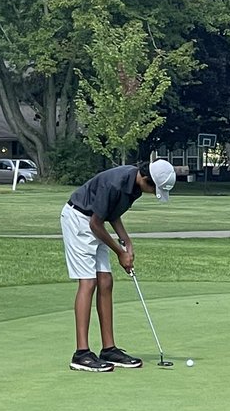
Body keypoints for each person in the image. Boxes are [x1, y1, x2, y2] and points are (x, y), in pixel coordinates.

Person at [60, 158, 177, 372]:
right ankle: (81, 354)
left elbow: (112, 214)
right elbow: (95, 223)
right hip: (78, 220)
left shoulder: (135, 187)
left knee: (106, 280)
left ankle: (109, 349)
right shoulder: (115, 183)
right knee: (88, 282)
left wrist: (127, 242)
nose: (153, 193)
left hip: (95, 222)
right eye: (154, 189)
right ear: (145, 178)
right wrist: (120, 252)